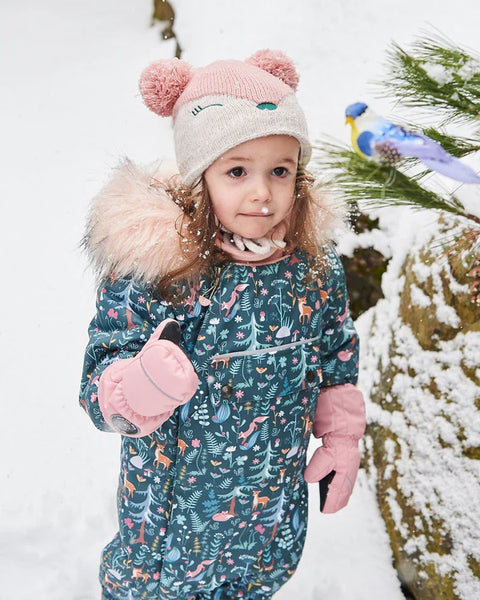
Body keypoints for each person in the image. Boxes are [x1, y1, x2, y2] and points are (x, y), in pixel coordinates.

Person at [80, 49, 366, 600]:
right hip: (170, 526)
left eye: (279, 170)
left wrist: (341, 434)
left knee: (255, 584)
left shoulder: (312, 265)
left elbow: (336, 351)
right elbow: (99, 391)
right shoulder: (158, 270)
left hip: (270, 513)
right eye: (237, 171)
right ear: (200, 176)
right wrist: (139, 386)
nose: (262, 192)